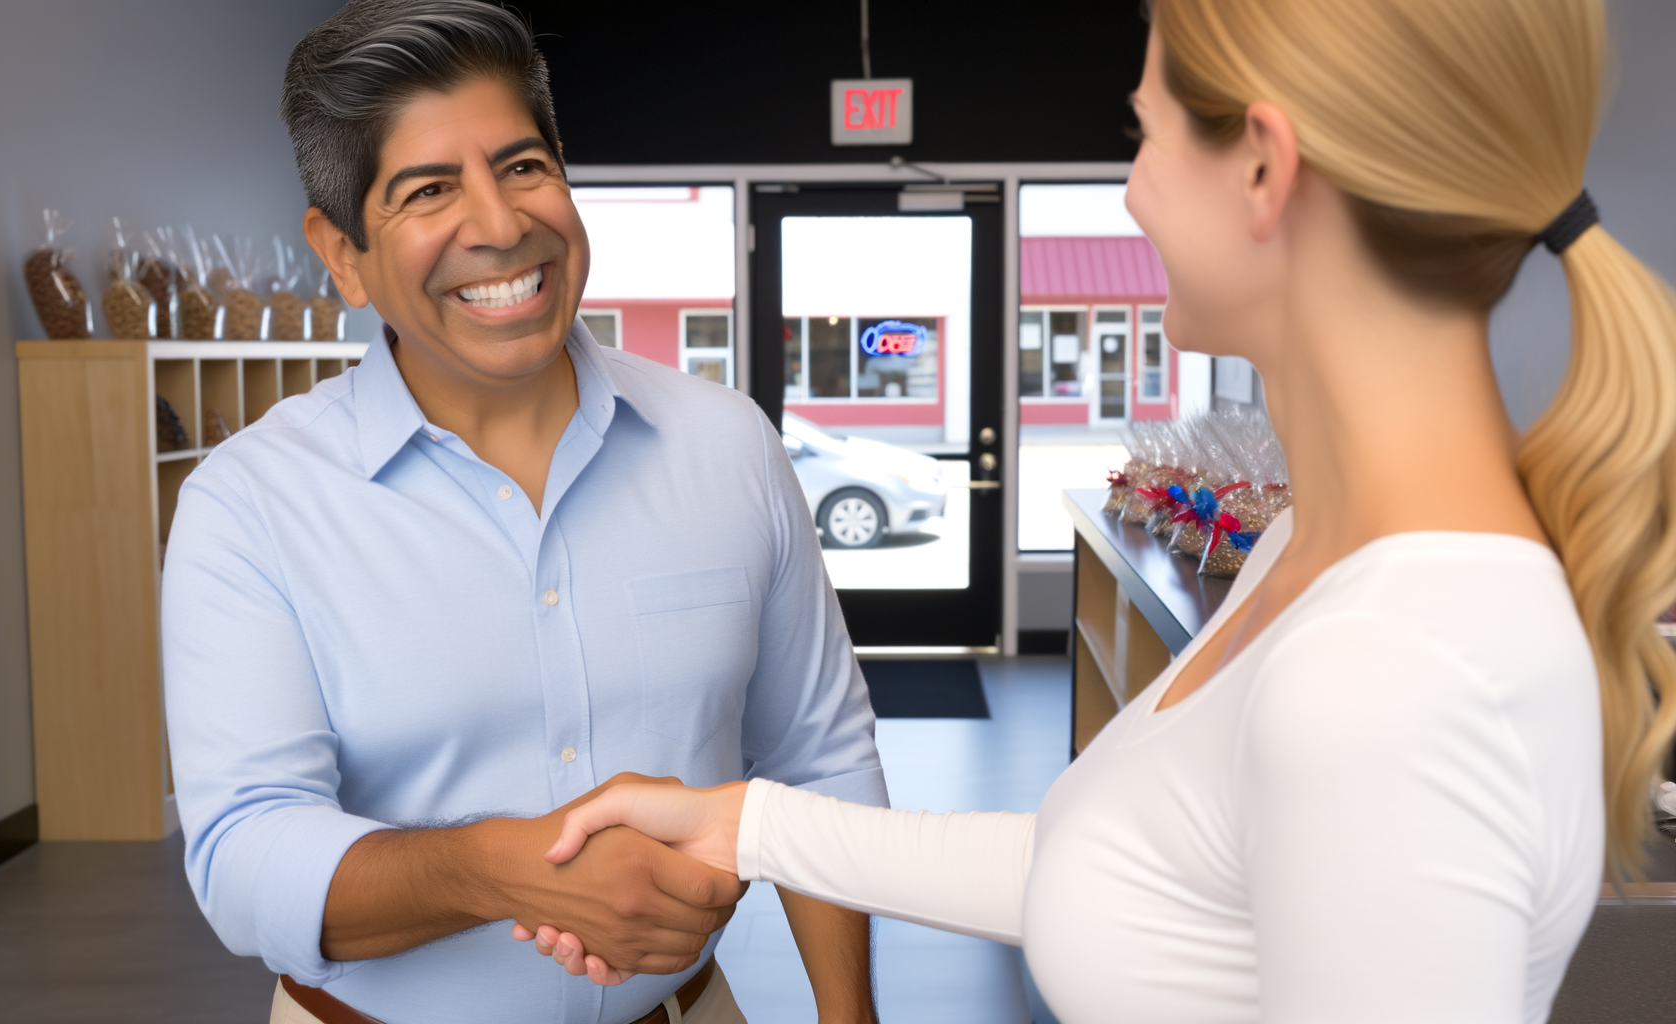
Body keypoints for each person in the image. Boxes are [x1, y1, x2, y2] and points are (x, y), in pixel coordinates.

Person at [518, 1, 1676, 1021]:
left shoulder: (1386, 672)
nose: (1130, 186)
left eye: (1145, 133)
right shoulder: (1314, 554)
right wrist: (743, 824)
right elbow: (1121, 878)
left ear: (1264, 168)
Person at [161, 3, 889, 1023]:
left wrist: (849, 1015)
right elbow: (245, 857)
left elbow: (820, 758)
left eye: (522, 166)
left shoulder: (729, 447)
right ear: (341, 252)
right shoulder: (250, 506)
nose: (500, 226)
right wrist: (505, 867)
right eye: (427, 190)